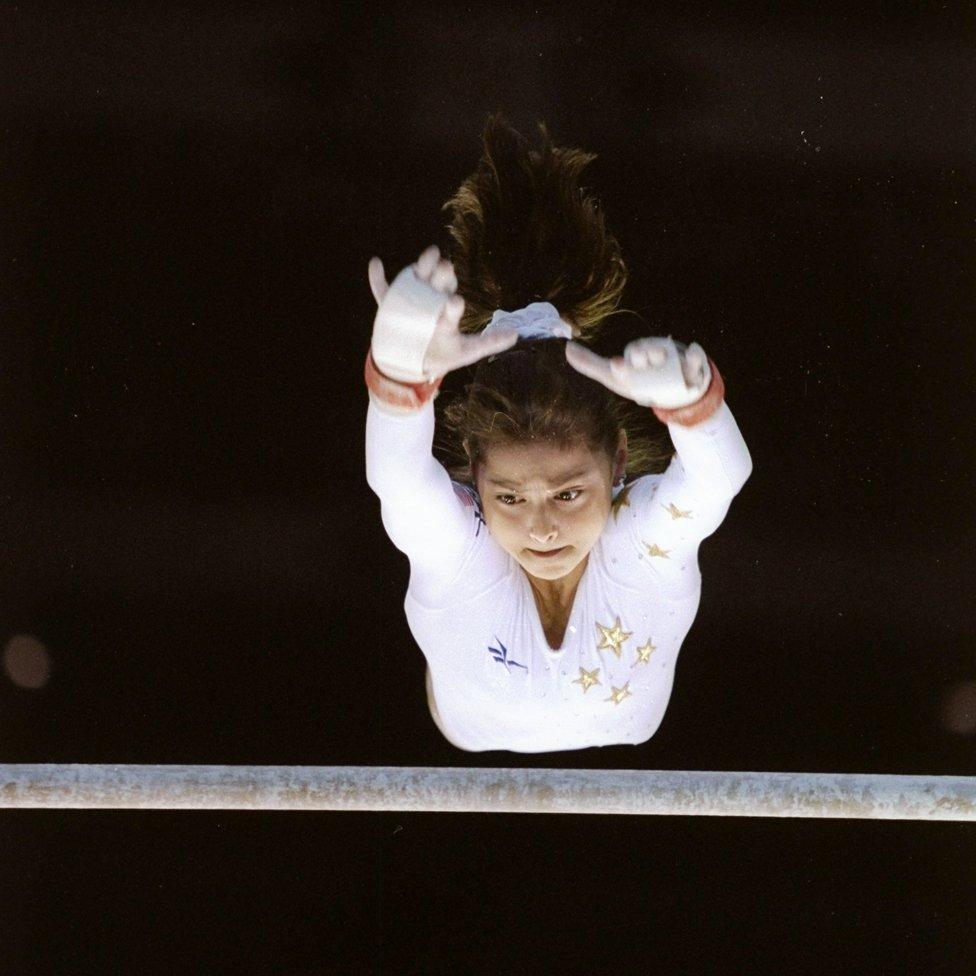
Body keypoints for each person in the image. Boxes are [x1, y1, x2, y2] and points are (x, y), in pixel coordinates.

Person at [364, 113, 753, 753]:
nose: (541, 527)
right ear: (474, 478)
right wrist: (398, 370)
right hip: (464, 721)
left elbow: (721, 478)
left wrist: (693, 406)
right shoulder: (461, 546)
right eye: (510, 498)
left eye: (569, 493)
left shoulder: (639, 539)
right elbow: (397, 481)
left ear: (619, 461)